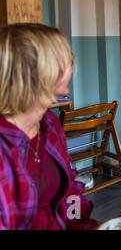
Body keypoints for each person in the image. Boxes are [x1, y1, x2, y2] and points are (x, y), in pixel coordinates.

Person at [0, 23, 97, 230]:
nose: (72, 60)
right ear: (36, 73)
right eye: (64, 56)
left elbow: (69, 189)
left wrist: (82, 226)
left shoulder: (49, 123)